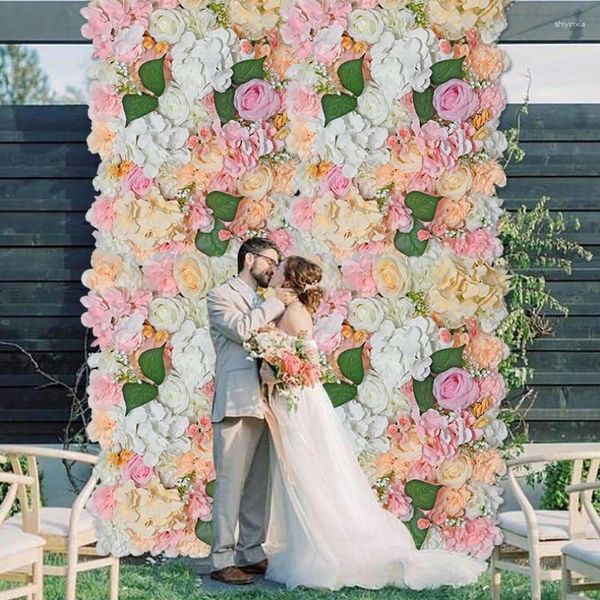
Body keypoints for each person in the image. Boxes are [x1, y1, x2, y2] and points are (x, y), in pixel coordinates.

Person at [260, 254, 490, 591]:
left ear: (290, 280)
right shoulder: (287, 311)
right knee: (301, 471)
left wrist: (272, 371)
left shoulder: (294, 315)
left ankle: (328, 547)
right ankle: (306, 541)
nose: (274, 270)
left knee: (307, 470)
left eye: (280, 268)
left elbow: (305, 368)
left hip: (299, 402)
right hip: (294, 399)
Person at [206, 238, 297, 585]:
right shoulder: (220, 295)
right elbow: (242, 329)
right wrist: (274, 303)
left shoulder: (264, 301)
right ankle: (222, 558)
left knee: (260, 483)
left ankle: (251, 551)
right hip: (235, 402)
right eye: (271, 261)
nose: (274, 268)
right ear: (249, 259)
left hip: (266, 402)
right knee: (231, 484)